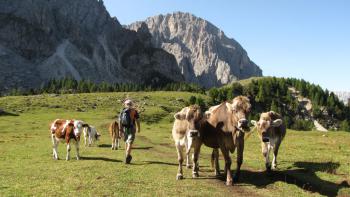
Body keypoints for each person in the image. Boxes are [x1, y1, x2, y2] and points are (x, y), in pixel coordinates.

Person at [119, 99, 140, 164]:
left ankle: (126, 155)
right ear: (132, 104)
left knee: (126, 142)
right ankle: (127, 156)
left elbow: (120, 121)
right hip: (132, 128)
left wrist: (120, 130)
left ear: (125, 104)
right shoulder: (134, 111)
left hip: (124, 128)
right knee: (130, 143)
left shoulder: (122, 111)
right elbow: (137, 120)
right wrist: (138, 128)